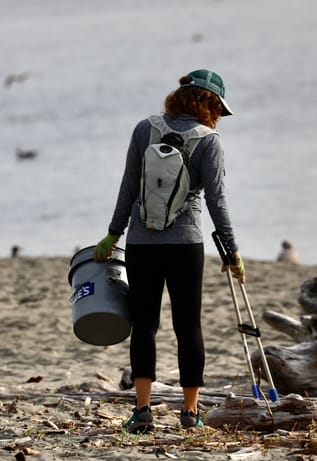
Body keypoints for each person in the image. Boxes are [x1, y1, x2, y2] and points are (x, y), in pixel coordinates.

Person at [93, 69, 245, 432]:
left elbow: (128, 186)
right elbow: (217, 201)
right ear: (209, 104)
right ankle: (190, 414)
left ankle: (142, 410)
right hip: (186, 244)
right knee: (188, 325)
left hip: (142, 243)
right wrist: (232, 251)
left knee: (144, 325)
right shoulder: (209, 140)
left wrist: (113, 234)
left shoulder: (145, 129)